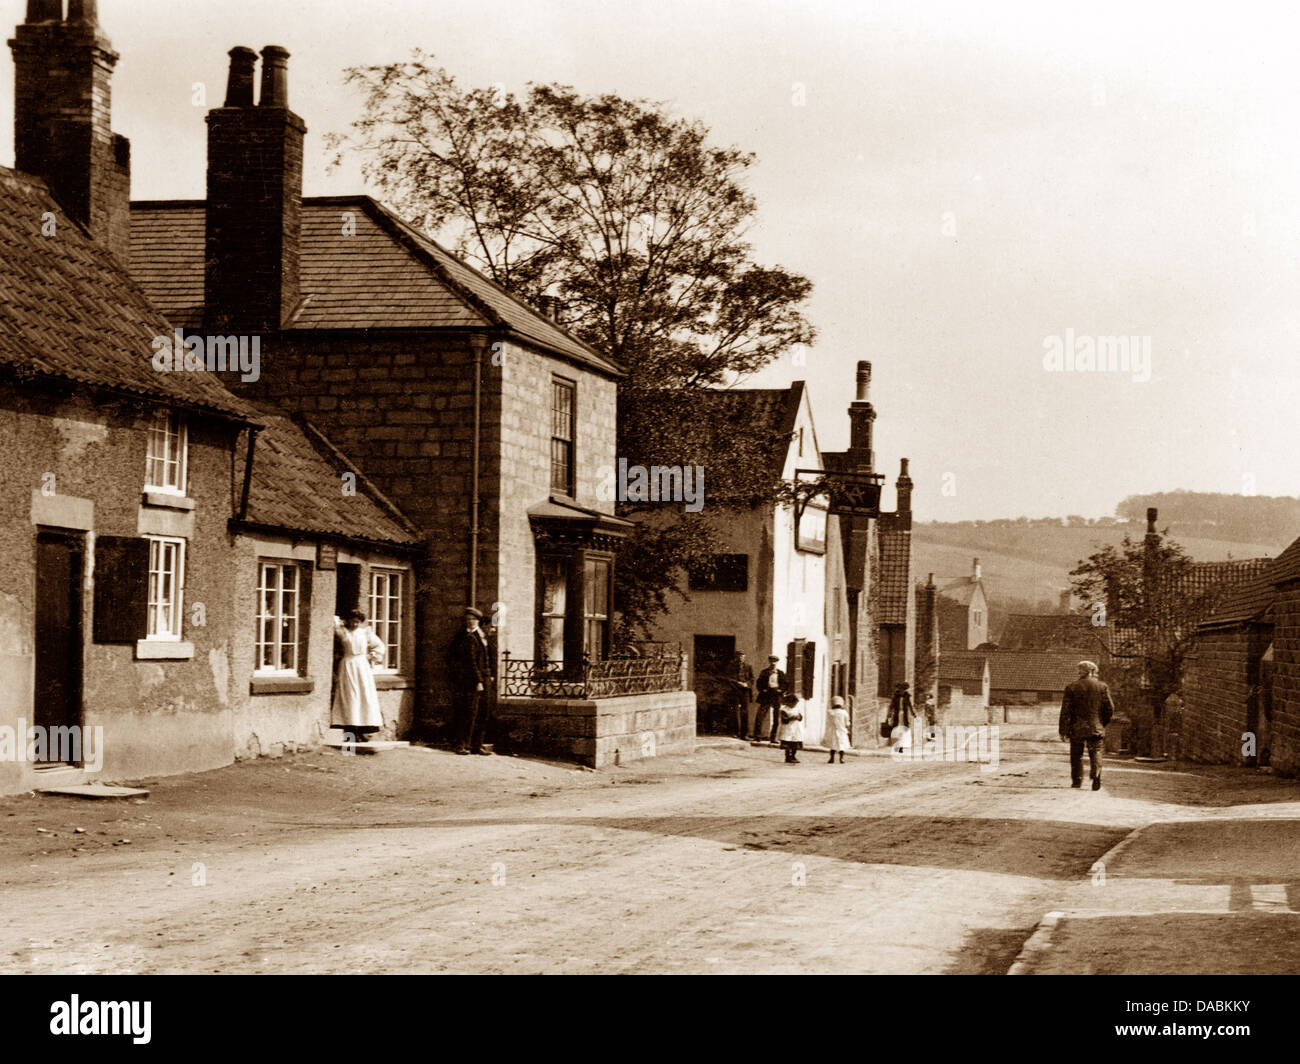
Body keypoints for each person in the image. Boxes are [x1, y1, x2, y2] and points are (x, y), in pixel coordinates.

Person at [331, 609, 385, 744]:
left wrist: (370, 656)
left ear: (360, 622)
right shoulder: (342, 631)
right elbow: (332, 619)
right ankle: (350, 735)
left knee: (363, 696)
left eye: (357, 622)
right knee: (350, 697)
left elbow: (379, 646)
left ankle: (362, 732)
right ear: (348, 620)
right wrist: (342, 621)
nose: (355, 624)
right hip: (348, 665)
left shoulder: (365, 632)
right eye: (352, 621)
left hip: (362, 666)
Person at [1059, 660, 1115, 790]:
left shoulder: (1071, 687)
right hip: (1096, 727)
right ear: (1093, 671)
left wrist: (1063, 730)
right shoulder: (1102, 687)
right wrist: (1102, 723)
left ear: (1081, 671)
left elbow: (1065, 711)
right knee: (1096, 752)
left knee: (1076, 754)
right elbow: (1110, 708)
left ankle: (1077, 781)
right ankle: (1096, 777)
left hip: (1076, 727)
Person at [446, 606, 494, 755]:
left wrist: (490, 675)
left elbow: (489, 656)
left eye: (473, 619)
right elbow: (470, 662)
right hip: (470, 680)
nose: (470, 622)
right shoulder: (464, 637)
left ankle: (476, 745)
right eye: (468, 619)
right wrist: (478, 680)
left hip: (485, 678)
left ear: (478, 621)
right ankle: (461, 745)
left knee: (483, 712)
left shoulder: (482, 636)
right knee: (468, 713)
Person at [755, 655, 788, 744]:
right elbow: (759, 683)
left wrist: (781, 690)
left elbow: (785, 684)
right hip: (766, 695)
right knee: (760, 716)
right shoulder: (764, 672)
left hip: (776, 696)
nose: (773, 663)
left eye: (775, 662)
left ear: (777, 663)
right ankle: (757, 736)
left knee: (776, 718)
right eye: (771, 661)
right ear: (769, 662)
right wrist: (763, 689)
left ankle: (773, 738)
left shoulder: (780, 673)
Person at [727, 650, 755, 739]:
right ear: (736, 658)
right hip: (735, 690)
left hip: (745, 691)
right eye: (739, 657)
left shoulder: (748, 667)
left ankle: (744, 734)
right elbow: (729, 679)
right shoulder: (731, 666)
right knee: (735, 711)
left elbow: (752, 679)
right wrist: (738, 683)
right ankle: (735, 732)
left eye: (742, 657)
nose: (740, 659)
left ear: (744, 657)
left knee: (745, 711)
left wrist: (747, 684)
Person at [776, 693, 804, 763]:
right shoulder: (784, 709)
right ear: (788, 702)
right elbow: (784, 719)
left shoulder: (797, 709)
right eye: (793, 703)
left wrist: (799, 717)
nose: (794, 705)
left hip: (796, 728)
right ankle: (787, 756)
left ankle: (793, 756)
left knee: (795, 743)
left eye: (795, 703)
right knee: (787, 742)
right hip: (787, 728)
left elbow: (801, 717)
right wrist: (792, 718)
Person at [825, 694, 851, 763]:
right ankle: (841, 758)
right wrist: (847, 728)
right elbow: (847, 722)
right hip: (842, 730)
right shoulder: (844, 712)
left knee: (833, 745)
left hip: (833, 730)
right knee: (841, 744)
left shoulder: (830, 712)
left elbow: (828, 721)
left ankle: (832, 758)